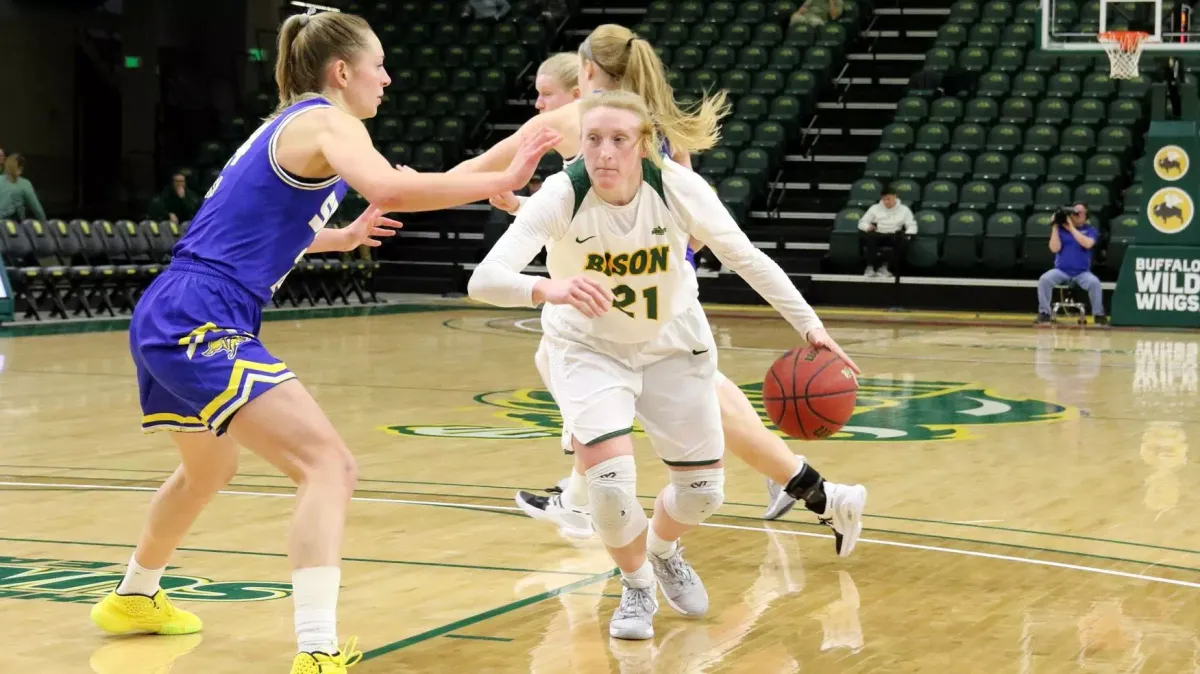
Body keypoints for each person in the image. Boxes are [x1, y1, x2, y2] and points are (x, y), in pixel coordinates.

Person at [88, 10, 558, 673]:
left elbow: (253, 220)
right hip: (201, 314)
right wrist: (499, 183)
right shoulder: (327, 122)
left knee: (210, 469)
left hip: (176, 307)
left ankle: (135, 596)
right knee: (329, 467)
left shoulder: (295, 125)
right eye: (380, 65)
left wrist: (340, 236)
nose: (388, 79)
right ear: (343, 72)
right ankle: (317, 650)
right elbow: (394, 186)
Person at [467, 90, 861, 640]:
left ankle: (662, 548)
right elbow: (483, 280)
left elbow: (745, 257)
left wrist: (811, 327)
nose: (603, 153)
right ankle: (636, 587)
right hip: (589, 349)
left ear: (645, 145)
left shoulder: (676, 187)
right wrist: (549, 288)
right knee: (607, 481)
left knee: (703, 493)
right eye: (592, 140)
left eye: (618, 140)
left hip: (673, 345)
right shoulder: (562, 193)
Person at [1036, 203, 1108, 326]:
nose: (1077, 215)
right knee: (1044, 279)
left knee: (1094, 283)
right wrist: (1054, 227)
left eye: (1080, 213)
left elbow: (1087, 244)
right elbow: (1054, 249)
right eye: (1075, 212)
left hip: (1082, 272)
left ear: (1086, 216)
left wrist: (1072, 229)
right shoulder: (1061, 230)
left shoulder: (1090, 230)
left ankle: (1099, 315)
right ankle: (1044, 313)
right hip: (1061, 270)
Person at [857, 187, 916, 279]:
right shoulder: (875, 208)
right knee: (869, 236)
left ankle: (885, 268)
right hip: (878, 233)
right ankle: (870, 267)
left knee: (902, 240)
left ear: (895, 197)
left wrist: (908, 234)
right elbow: (862, 223)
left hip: (893, 235)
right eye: (884, 199)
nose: (886, 202)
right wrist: (868, 227)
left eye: (888, 199)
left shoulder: (904, 210)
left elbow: (912, 225)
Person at [0, 153, 48, 222]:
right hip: (13, 225)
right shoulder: (25, 183)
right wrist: (44, 223)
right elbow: (36, 208)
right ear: (20, 168)